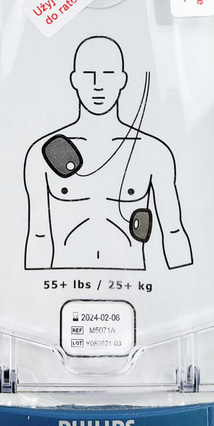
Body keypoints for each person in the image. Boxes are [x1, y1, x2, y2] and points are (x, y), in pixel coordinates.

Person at [23, 36, 192, 271]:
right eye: (88, 74)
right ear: (74, 80)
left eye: (108, 74)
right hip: (64, 278)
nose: (98, 84)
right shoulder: (43, 153)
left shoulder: (153, 151)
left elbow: (173, 230)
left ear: (122, 79)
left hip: (134, 280)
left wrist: (185, 284)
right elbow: (38, 234)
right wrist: (32, 285)